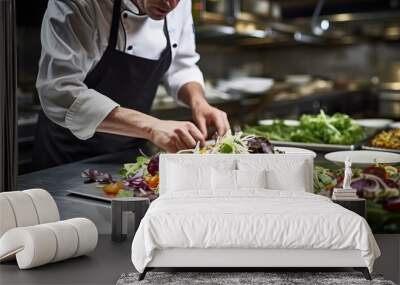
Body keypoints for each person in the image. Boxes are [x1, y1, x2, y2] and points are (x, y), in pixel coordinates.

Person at [32, 0, 230, 170]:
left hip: (129, 156)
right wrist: (152, 126)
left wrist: (198, 102)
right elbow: (59, 92)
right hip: (67, 156)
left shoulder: (179, 4)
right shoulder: (83, 4)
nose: (170, 5)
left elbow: (181, 65)